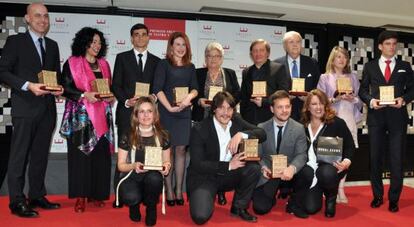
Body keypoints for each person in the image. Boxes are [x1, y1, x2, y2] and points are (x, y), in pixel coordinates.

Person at [0, 3, 63, 218]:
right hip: (25, 108)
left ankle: (36, 195)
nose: (42, 20)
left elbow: (56, 75)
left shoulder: (53, 45)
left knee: (39, 156)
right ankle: (17, 200)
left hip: (47, 110)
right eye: (37, 16)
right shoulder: (15, 42)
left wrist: (59, 88)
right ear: (27, 19)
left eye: (46, 16)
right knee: (19, 156)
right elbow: (3, 72)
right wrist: (27, 85)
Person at [187, 91, 266, 224]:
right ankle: (209, 196)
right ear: (214, 109)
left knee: (253, 168)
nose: (226, 112)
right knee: (200, 217)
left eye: (229, 108)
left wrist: (242, 134)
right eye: (221, 108)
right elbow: (197, 164)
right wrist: (229, 165)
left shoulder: (237, 121)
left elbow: (262, 134)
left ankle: (239, 207)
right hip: (206, 177)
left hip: (230, 174)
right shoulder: (199, 128)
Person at [60, 27, 115, 213]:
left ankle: (97, 194)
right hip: (81, 117)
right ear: (84, 43)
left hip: (102, 115)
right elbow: (65, 88)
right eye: (93, 42)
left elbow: (109, 88)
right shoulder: (72, 63)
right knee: (80, 157)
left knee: (100, 156)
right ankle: (81, 197)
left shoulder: (105, 64)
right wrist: (84, 94)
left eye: (99, 42)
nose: (97, 46)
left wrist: (110, 96)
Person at [359, 30, 414, 212]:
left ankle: (394, 199)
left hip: (398, 118)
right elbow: (362, 91)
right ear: (380, 46)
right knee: (375, 158)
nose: (391, 47)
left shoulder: (405, 66)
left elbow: (412, 89)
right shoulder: (370, 66)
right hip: (376, 117)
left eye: (394, 44)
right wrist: (371, 102)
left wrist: (404, 100)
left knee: (397, 159)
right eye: (388, 44)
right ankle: (377, 196)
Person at [111, 23, 160, 208]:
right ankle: (119, 196)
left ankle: (148, 193)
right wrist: (126, 101)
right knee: (123, 156)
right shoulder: (122, 58)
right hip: (126, 113)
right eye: (136, 35)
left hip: (148, 116)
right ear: (132, 38)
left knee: (149, 154)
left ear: (148, 37)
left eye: (144, 34)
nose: (140, 38)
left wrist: (152, 98)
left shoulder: (157, 61)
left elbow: (158, 86)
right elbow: (116, 84)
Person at [192, 41, 241, 205]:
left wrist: (225, 104)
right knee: (207, 154)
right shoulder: (198, 73)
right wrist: (198, 101)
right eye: (210, 56)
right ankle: (208, 185)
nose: (213, 59)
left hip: (224, 120)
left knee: (223, 152)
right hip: (203, 119)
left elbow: (237, 95)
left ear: (222, 58)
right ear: (205, 58)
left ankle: (220, 190)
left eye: (217, 56)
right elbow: (191, 92)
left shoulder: (230, 73)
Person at [153, 31, 198, 206]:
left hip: (184, 113)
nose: (180, 48)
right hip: (166, 112)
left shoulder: (191, 67)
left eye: (183, 44)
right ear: (171, 47)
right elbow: (157, 88)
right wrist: (170, 107)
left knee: (181, 151)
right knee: (168, 151)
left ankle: (179, 189)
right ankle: (169, 190)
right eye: (177, 44)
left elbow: (195, 88)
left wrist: (188, 98)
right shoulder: (163, 64)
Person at [252, 90, 308, 219]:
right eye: (280, 107)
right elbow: (257, 155)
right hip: (269, 173)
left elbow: (301, 155)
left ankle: (293, 201)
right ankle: (272, 196)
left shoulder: (299, 128)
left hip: (289, 173)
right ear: (272, 109)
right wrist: (263, 167)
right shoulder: (261, 127)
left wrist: (292, 168)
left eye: (287, 106)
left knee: (306, 172)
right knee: (260, 209)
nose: (284, 110)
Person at [317, 46, 362, 203]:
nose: (342, 60)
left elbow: (359, 100)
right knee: (330, 154)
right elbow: (320, 101)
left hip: (349, 118)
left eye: (344, 57)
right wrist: (334, 99)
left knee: (345, 156)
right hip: (332, 119)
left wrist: (353, 99)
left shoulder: (353, 77)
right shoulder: (324, 77)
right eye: (338, 57)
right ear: (332, 59)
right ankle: (329, 188)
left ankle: (341, 189)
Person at [116, 96, 171, 226]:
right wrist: (134, 165)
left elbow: (167, 161)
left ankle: (151, 207)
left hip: (152, 177)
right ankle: (134, 205)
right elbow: (120, 165)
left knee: (155, 179)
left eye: (149, 111)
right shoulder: (127, 135)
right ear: (136, 115)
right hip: (132, 175)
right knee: (130, 197)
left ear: (155, 114)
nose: (146, 115)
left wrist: (166, 167)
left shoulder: (163, 135)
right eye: (141, 111)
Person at [300, 89, 354, 218]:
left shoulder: (337, 123)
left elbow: (350, 146)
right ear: (307, 107)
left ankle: (331, 196)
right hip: (308, 170)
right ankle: (314, 191)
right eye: (314, 104)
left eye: (321, 103)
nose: (318, 107)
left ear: (326, 105)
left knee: (326, 173)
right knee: (310, 208)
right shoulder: (301, 124)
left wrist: (346, 162)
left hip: (328, 169)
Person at [240, 39, 290, 125]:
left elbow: (283, 94)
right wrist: (243, 116)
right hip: (250, 119)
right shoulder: (246, 72)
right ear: (251, 54)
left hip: (270, 117)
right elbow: (243, 97)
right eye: (255, 51)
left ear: (268, 53)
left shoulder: (278, 69)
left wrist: (264, 102)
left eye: (261, 50)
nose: (258, 54)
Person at [275, 31, 320, 121]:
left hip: (306, 112)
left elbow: (317, 87)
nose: (295, 45)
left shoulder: (312, 63)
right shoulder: (276, 64)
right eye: (291, 42)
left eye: (298, 42)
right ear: (285, 46)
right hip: (284, 112)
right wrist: (284, 97)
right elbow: (273, 89)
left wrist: (309, 98)